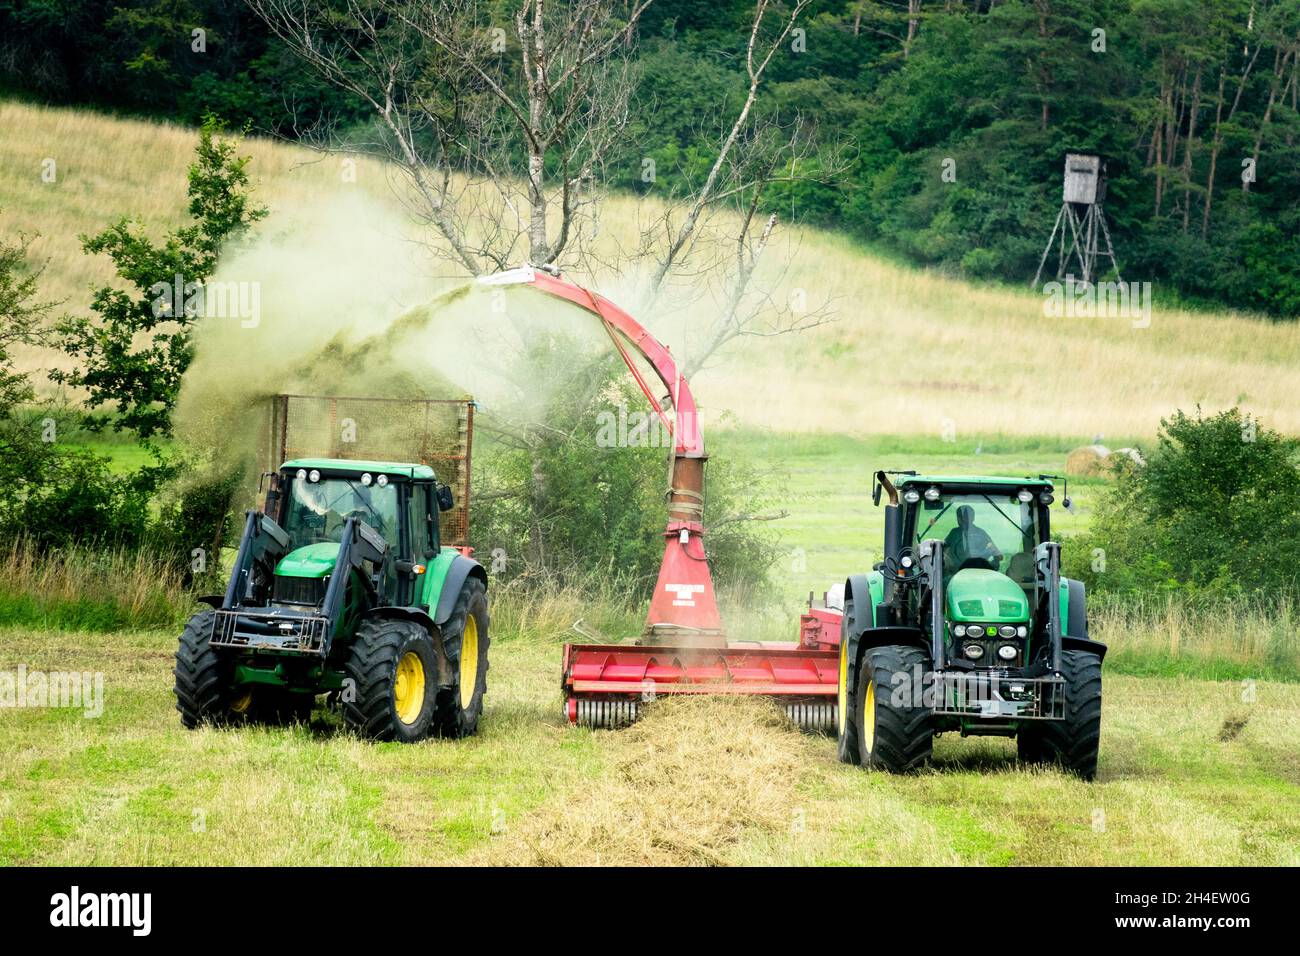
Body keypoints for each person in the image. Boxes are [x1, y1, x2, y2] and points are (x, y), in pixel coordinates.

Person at [944, 505, 1003, 570]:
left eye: (966, 516)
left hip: (979, 571)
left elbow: (998, 555)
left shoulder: (981, 534)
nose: (963, 519)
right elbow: (943, 549)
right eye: (961, 516)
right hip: (957, 572)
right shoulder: (954, 533)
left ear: (972, 518)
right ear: (958, 518)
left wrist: (995, 561)